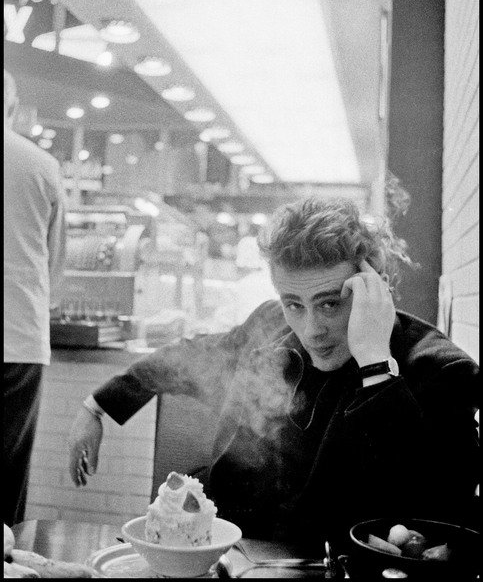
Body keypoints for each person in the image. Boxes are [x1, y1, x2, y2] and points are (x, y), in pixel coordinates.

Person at [68, 196, 479, 548]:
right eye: (294, 303)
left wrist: (374, 363)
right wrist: (97, 406)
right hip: (229, 545)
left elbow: (432, 520)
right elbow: (195, 355)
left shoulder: (440, 372)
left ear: (377, 287)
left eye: (331, 303)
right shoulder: (271, 327)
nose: (311, 329)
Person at [4, 70, 66, 526]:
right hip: (18, 337)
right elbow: (55, 261)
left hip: (21, 333)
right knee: (6, 474)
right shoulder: (41, 165)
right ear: (11, 108)